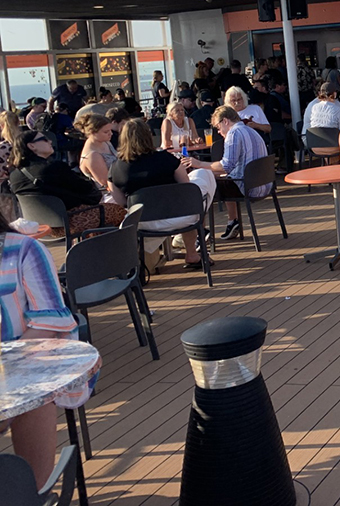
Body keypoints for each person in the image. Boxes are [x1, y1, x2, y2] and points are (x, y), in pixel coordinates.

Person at [0, 208, 89, 490]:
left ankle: (35, 492)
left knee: (35, 394)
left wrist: (7, 370)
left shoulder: (23, 250)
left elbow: (49, 322)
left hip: (24, 368)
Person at [109, 119, 216, 270]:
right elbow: (186, 187)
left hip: (143, 222)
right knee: (201, 181)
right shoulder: (166, 158)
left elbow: (121, 202)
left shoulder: (115, 169)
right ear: (148, 136)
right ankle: (192, 253)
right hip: (180, 217)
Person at [9, 129, 125, 235]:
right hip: (71, 222)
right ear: (32, 146)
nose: (50, 141)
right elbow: (85, 188)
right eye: (44, 139)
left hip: (39, 226)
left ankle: (88, 246)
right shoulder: (54, 167)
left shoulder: (15, 176)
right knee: (121, 212)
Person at [182, 106, 271, 242]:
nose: (218, 132)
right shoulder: (251, 131)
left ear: (225, 121)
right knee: (217, 178)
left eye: (218, 127)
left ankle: (200, 233)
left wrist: (198, 164)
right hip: (263, 184)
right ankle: (232, 221)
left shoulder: (233, 134)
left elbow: (226, 167)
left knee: (200, 186)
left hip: (246, 187)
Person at [75, 113, 118, 195]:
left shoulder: (105, 142)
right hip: (111, 194)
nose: (111, 133)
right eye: (106, 132)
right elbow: (106, 183)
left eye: (110, 130)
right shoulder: (92, 156)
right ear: (92, 132)